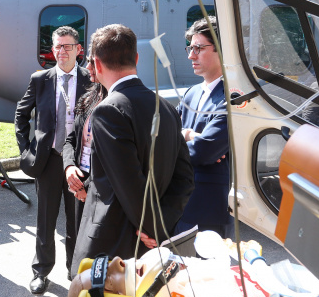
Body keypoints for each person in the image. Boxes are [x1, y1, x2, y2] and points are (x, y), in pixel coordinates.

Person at [69, 24, 194, 278]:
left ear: (97, 63)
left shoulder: (107, 110)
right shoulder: (167, 108)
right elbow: (185, 178)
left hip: (113, 246)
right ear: (135, 59)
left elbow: (129, 186)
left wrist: (149, 230)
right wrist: (159, 229)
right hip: (151, 244)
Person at [15, 26, 91, 294]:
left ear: (78, 50)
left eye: (67, 46)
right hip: (48, 160)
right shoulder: (41, 79)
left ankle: (75, 272)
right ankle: (41, 271)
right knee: (45, 221)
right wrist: (27, 150)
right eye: (57, 46)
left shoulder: (90, 79)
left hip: (79, 164)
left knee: (76, 221)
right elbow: (21, 114)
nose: (61, 51)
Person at [174, 17, 233, 239]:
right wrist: (189, 136)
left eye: (199, 48)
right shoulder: (192, 92)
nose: (191, 55)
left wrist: (184, 141)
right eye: (191, 48)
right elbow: (164, 136)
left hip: (208, 208)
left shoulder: (231, 97)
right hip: (179, 204)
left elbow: (203, 151)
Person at [62, 54, 106, 245]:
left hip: (99, 190)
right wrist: (69, 166)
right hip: (80, 181)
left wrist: (86, 186)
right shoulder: (88, 98)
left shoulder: (116, 102)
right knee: (76, 237)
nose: (87, 66)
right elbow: (71, 139)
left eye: (91, 61)